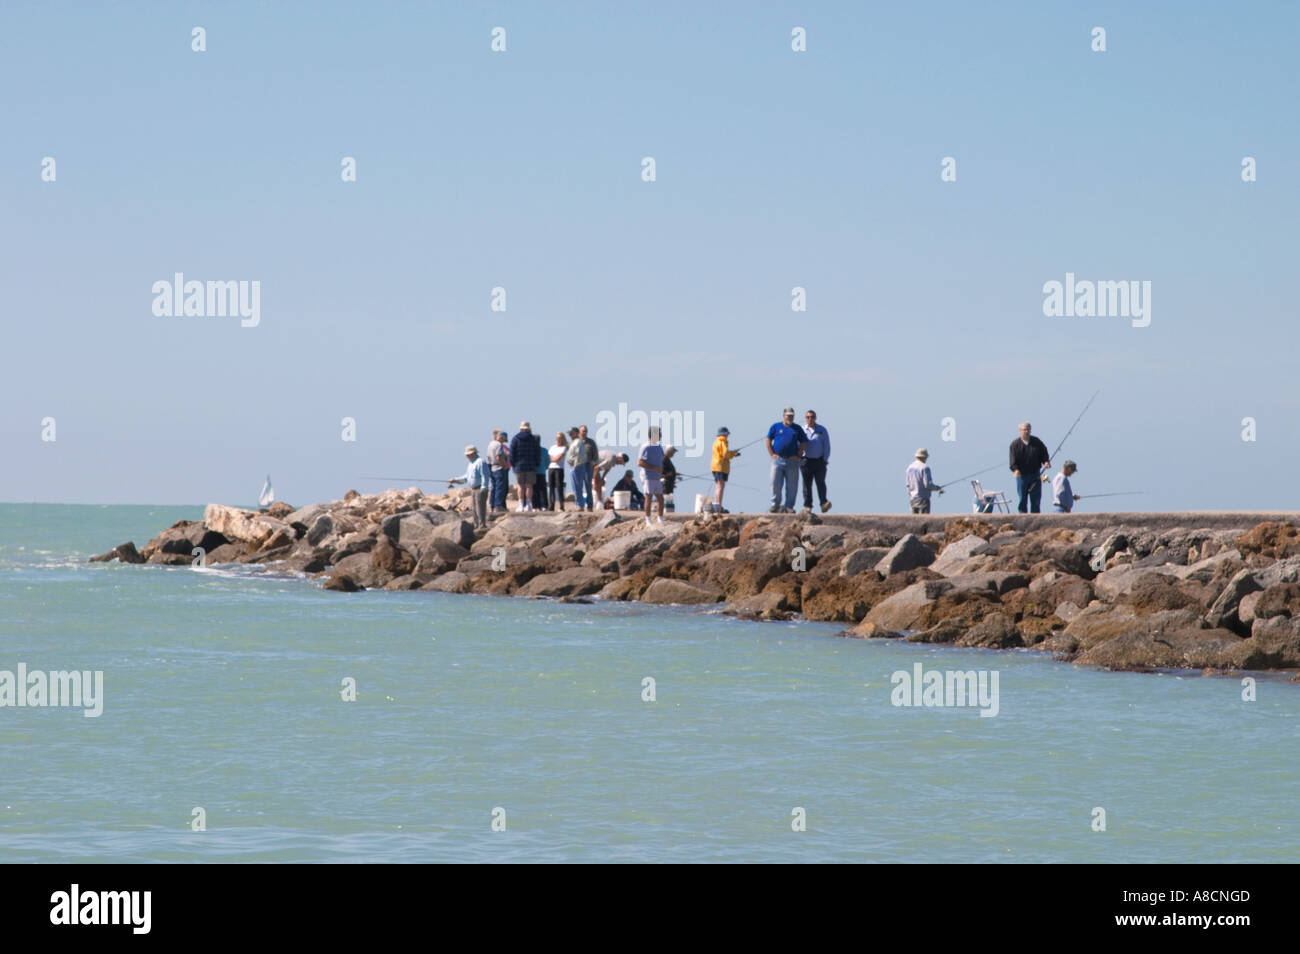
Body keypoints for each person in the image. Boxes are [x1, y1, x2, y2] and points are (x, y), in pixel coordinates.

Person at [766, 406, 807, 513]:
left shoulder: (797, 428)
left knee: (792, 486)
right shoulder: (775, 427)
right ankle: (775, 505)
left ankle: (789, 506)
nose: (790, 417)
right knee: (775, 484)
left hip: (792, 461)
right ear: (783, 416)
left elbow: (803, 442)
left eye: (792, 416)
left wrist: (798, 454)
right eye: (788, 415)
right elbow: (768, 439)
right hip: (778, 460)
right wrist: (772, 454)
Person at [1009, 421, 1051, 514]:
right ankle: (1022, 516)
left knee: (1036, 499)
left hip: (1035, 475)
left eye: (1028, 429)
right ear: (1020, 431)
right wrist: (1015, 470)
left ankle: (1036, 517)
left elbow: (1044, 453)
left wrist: (1046, 462)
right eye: (1024, 430)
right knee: (1022, 499)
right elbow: (1012, 461)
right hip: (1022, 476)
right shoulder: (1015, 444)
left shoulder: (1037, 442)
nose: (1027, 431)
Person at [447, 444, 492, 529]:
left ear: (474, 453)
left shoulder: (480, 462)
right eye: (467, 455)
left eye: (469, 454)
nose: (467, 456)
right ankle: (476, 525)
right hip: (473, 489)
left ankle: (482, 525)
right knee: (474, 509)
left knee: (480, 508)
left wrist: (484, 487)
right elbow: (466, 478)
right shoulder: (471, 464)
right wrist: (455, 480)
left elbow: (485, 475)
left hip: (480, 488)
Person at [799, 409, 832, 514]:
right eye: (808, 417)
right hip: (806, 461)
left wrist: (825, 460)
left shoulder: (822, 430)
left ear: (815, 418)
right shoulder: (802, 430)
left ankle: (823, 503)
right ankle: (808, 505)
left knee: (820, 483)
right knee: (807, 485)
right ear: (805, 418)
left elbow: (826, 446)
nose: (810, 419)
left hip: (819, 461)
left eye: (812, 417)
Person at [509, 421, 542, 512]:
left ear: (521, 428)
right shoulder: (533, 439)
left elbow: (511, 453)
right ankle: (528, 504)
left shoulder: (515, 439)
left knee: (520, 486)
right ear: (529, 429)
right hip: (531, 466)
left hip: (518, 466)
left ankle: (520, 505)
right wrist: (536, 464)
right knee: (529, 486)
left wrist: (513, 464)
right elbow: (537, 453)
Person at [638, 426, 666, 527]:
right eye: (659, 434)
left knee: (660, 498)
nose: (661, 436)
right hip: (648, 476)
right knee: (648, 496)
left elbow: (661, 460)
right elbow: (640, 462)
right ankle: (648, 520)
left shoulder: (659, 447)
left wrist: (661, 471)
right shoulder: (646, 446)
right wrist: (654, 468)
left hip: (657, 476)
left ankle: (660, 519)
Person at [905, 448, 944, 514]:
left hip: (913, 499)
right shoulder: (925, 468)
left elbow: (908, 485)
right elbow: (927, 485)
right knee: (924, 521)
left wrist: (911, 495)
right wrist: (936, 488)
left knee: (914, 521)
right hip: (923, 499)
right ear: (924, 457)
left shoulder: (909, 468)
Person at [711, 426, 740, 513]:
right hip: (721, 467)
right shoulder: (723, 442)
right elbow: (725, 454)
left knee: (718, 486)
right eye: (727, 434)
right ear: (724, 434)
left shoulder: (716, 442)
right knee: (720, 486)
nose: (728, 436)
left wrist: (732, 453)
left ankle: (717, 505)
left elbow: (723, 453)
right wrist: (733, 453)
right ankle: (718, 506)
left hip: (716, 466)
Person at [486, 429, 510, 512]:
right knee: (500, 487)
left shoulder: (490, 444)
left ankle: (492, 505)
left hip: (492, 467)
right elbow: (498, 457)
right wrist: (504, 465)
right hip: (499, 468)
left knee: (494, 487)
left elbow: (488, 457)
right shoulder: (498, 445)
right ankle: (498, 505)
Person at [548, 431, 569, 511]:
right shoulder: (552, 447)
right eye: (557, 438)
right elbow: (550, 458)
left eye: (559, 438)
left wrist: (554, 458)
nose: (558, 439)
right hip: (551, 468)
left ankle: (561, 505)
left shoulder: (563, 448)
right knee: (551, 487)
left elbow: (558, 458)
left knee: (559, 487)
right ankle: (551, 505)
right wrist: (554, 459)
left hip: (559, 469)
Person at [661, 445, 678, 512]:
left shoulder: (667, 459)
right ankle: (664, 511)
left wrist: (674, 473)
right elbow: (662, 471)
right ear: (669, 451)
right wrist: (669, 474)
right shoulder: (664, 459)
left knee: (669, 497)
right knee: (665, 497)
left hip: (669, 483)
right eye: (673, 452)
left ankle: (667, 511)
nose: (673, 454)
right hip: (666, 483)